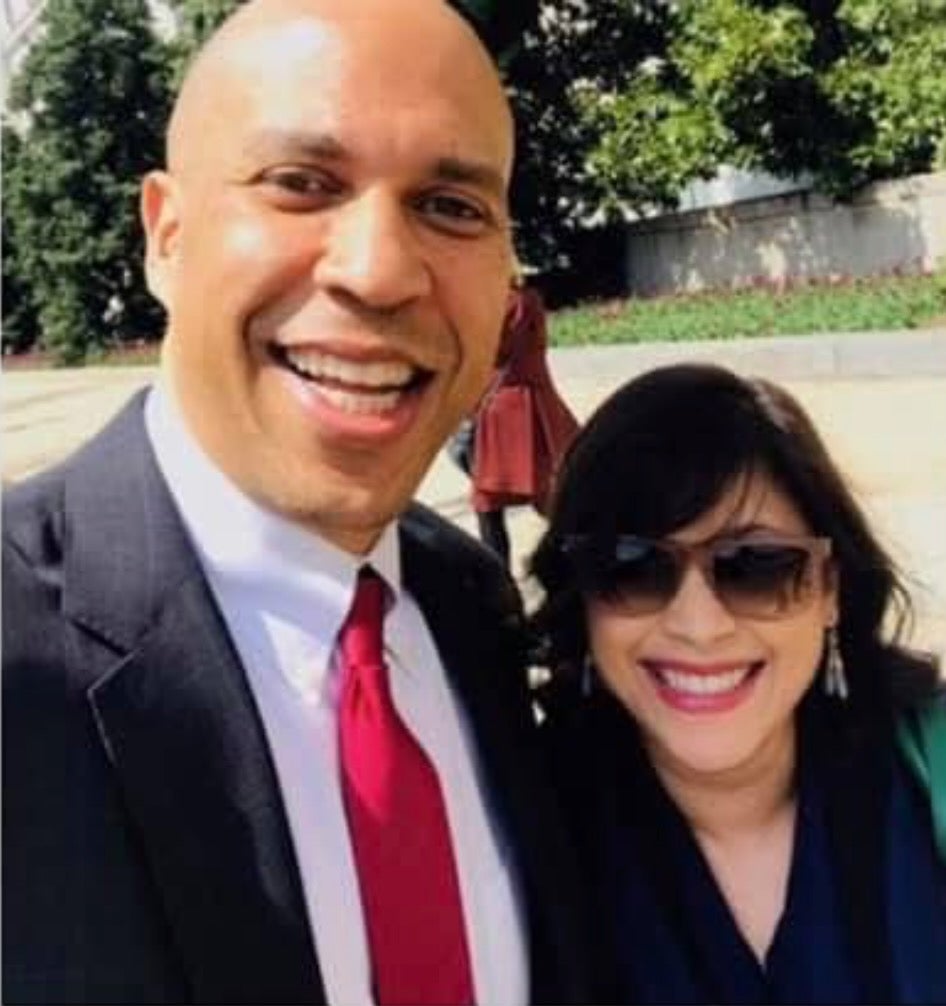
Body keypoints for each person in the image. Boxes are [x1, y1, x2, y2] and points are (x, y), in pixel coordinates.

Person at [1, 2, 595, 1003]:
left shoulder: (469, 603)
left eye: (451, 206)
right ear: (167, 232)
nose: (377, 270)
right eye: (301, 184)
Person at [529, 363, 946, 1004]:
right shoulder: (518, 833)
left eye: (756, 568)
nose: (700, 627)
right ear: (583, 598)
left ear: (829, 589)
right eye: (633, 568)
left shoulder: (929, 772)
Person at [467, 285, 579, 567]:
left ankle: (499, 582)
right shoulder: (528, 299)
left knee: (489, 501)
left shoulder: (502, 302)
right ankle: (577, 561)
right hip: (535, 404)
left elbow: (483, 350)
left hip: (503, 409)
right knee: (548, 493)